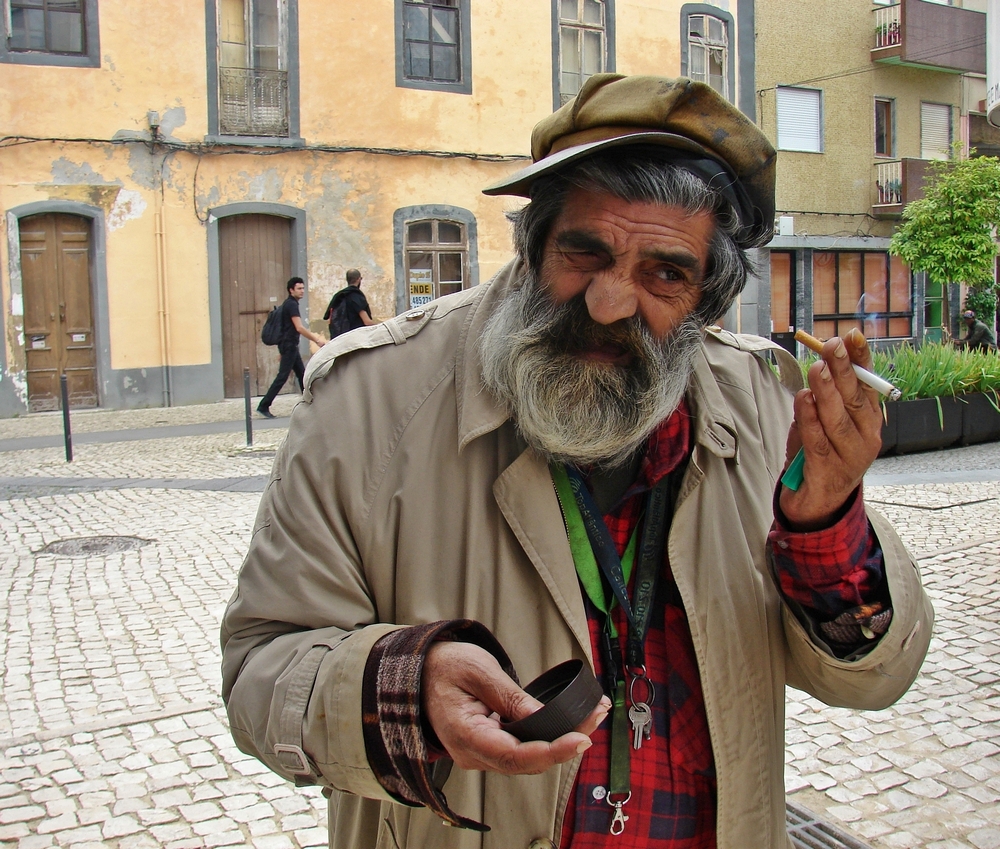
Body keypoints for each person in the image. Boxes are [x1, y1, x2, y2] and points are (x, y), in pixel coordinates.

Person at [222, 75, 933, 848]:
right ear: (533, 246)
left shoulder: (762, 404)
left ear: (706, 299)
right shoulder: (369, 402)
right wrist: (402, 687)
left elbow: (871, 675)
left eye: (665, 272)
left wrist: (823, 517)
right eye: (584, 251)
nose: (608, 302)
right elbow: (262, 668)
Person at [257, 276, 326, 419]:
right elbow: (299, 327)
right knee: (283, 376)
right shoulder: (291, 305)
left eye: (303, 288)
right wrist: (316, 339)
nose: (302, 291)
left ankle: (311, 404)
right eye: (299, 288)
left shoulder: (288, 304)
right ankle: (264, 405)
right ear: (291, 290)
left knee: (302, 374)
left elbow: (287, 328)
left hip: (289, 346)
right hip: (289, 346)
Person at [324, 268, 375, 336]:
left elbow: (329, 319)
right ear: (359, 279)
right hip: (355, 337)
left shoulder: (338, 296)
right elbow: (367, 322)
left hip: (339, 337)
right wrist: (379, 327)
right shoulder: (356, 296)